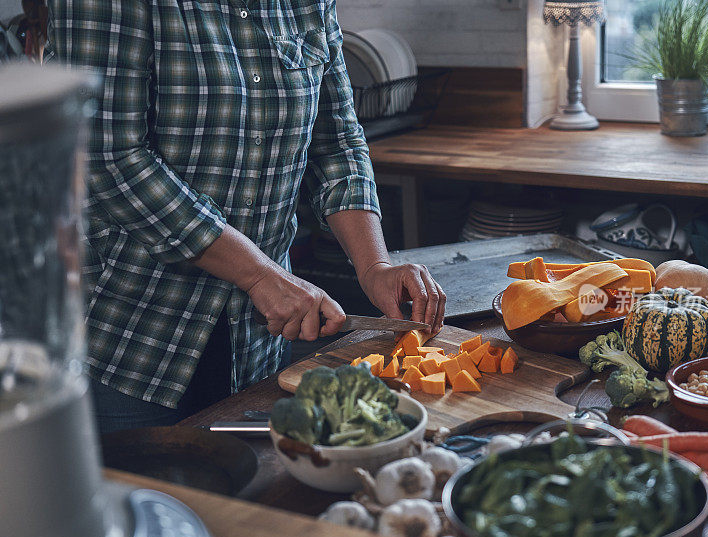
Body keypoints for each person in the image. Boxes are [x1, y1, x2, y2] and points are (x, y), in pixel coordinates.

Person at [46, 1, 445, 433]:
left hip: (256, 342)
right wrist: (259, 275)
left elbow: (337, 143)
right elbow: (103, 157)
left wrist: (375, 266)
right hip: (124, 334)